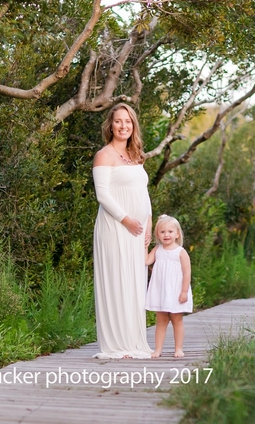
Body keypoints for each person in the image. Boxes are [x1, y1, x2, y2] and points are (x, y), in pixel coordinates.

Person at [92, 103, 153, 359]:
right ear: (110, 125)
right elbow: (102, 194)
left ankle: (133, 341)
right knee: (117, 282)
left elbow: (143, 193)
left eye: (127, 121)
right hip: (115, 227)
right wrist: (126, 219)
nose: (123, 125)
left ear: (133, 125)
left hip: (138, 231)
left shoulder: (136, 156)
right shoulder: (104, 155)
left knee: (135, 285)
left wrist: (148, 225)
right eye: (118, 121)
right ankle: (116, 345)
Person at [145, 215, 192, 358]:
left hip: (176, 291)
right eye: (162, 232)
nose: (166, 235)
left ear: (177, 234)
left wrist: (184, 291)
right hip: (161, 291)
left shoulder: (181, 252)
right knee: (161, 321)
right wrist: (145, 245)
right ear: (157, 234)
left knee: (177, 320)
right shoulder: (157, 249)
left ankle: (178, 348)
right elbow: (146, 261)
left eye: (170, 232)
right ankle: (157, 349)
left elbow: (186, 272)